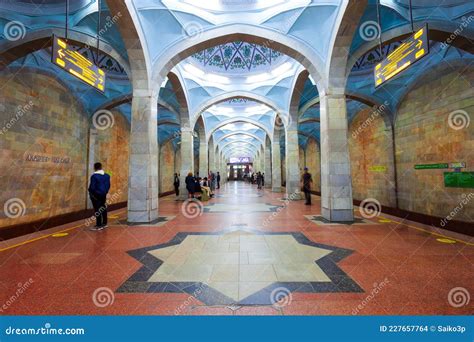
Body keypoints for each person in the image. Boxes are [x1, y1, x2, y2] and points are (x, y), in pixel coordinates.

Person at [88, 162, 110, 230]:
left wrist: (90, 192)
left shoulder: (94, 176)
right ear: (101, 167)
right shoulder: (107, 175)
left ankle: (98, 225)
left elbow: (92, 187)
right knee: (103, 208)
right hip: (103, 194)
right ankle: (104, 223)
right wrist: (105, 192)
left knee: (97, 209)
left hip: (96, 195)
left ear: (94, 168)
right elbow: (108, 185)